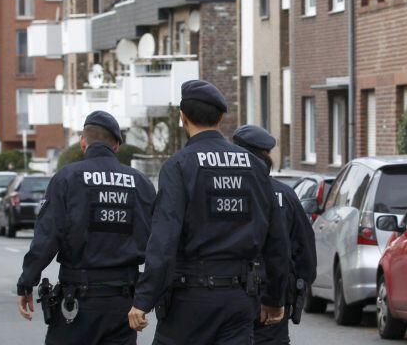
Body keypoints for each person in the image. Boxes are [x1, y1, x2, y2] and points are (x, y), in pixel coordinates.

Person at [127, 80, 290, 344]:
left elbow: (164, 239)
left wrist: (143, 300)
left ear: (183, 117)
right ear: (221, 117)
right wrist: (274, 298)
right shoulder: (253, 166)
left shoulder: (179, 166)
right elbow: (277, 240)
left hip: (189, 300)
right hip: (239, 299)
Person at [16, 111, 156, 345]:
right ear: (117, 145)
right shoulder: (140, 183)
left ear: (83, 142)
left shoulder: (67, 178)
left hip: (78, 301)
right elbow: (160, 242)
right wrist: (149, 296)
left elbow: (47, 237)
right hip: (123, 302)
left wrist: (27, 281)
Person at [232, 125, 317, 345]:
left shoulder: (225, 190)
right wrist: (291, 290)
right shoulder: (285, 195)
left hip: (229, 294)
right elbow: (305, 253)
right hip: (273, 297)